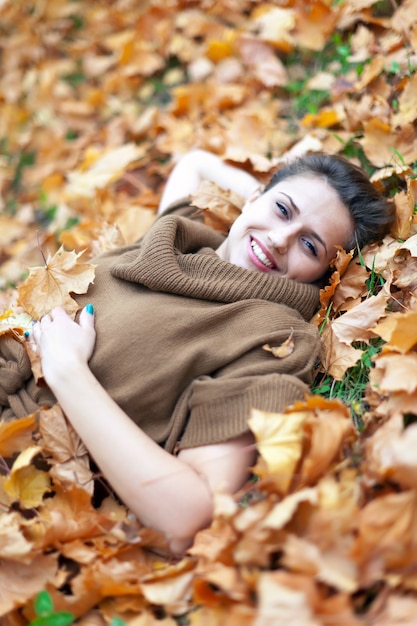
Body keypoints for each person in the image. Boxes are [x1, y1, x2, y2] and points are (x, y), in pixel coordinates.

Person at [11, 150, 393, 554]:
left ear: (326, 275)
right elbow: (193, 162)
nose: (280, 240)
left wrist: (69, 373)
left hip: (18, 467)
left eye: (309, 246)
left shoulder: (276, 339)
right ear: (254, 198)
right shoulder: (184, 234)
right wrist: (258, 208)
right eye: (282, 210)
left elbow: (188, 516)